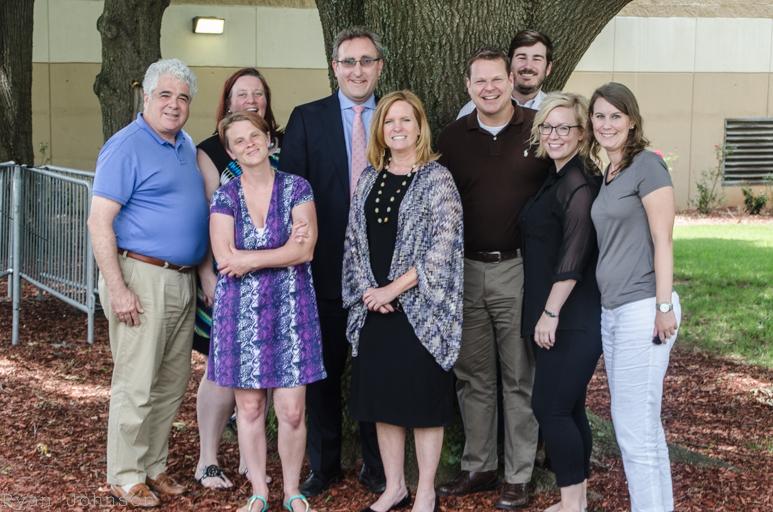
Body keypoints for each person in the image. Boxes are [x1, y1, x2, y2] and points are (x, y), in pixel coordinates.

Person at [88, 58, 208, 508]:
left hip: (181, 279)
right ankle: (124, 474)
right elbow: (100, 222)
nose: (174, 105)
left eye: (182, 98)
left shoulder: (183, 144)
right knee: (136, 383)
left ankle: (153, 466)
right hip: (140, 276)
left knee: (171, 383)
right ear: (146, 96)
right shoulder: (126, 147)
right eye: (165, 95)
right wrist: (118, 287)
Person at [436, 47, 550, 510]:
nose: (489, 88)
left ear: (511, 80)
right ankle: (479, 465)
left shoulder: (538, 130)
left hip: (517, 269)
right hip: (464, 271)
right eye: (479, 81)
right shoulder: (452, 138)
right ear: (468, 87)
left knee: (519, 375)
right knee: (472, 375)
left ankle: (519, 473)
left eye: (496, 79)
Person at [343, 90, 464, 512]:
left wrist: (393, 289)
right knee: (384, 402)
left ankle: (425, 489)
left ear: (419, 127)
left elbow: (442, 245)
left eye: (405, 120)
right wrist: (367, 293)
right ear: (381, 129)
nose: (397, 127)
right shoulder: (369, 178)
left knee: (424, 401)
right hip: (374, 309)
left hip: (420, 310)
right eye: (389, 121)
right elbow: (354, 243)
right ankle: (394, 486)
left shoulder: (436, 179)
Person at [281, 26, 386, 497]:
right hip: (320, 268)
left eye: (366, 61)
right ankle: (324, 465)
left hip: (383, 274)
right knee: (322, 372)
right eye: (348, 62)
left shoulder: (396, 116)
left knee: (374, 368)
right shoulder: (308, 118)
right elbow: (291, 194)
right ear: (334, 68)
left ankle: (377, 466)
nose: (357, 70)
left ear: (379, 67)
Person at [208, 111, 326, 512]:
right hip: (239, 315)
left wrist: (250, 259)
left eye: (254, 136)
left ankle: (292, 490)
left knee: (292, 410)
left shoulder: (297, 188)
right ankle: (259, 490)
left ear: (269, 139)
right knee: (250, 406)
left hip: (292, 310)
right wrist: (279, 253)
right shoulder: (224, 196)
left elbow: (304, 250)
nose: (249, 144)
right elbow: (225, 258)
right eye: (238, 141)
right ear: (230, 151)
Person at [588, 82, 681, 512]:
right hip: (614, 311)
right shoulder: (610, 173)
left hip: (643, 308)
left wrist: (663, 308)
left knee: (632, 427)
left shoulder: (647, 166)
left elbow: (664, 241)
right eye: (599, 115)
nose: (606, 124)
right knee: (643, 426)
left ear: (632, 121)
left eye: (615, 116)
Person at [193, 67, 282, 489]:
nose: (250, 100)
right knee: (221, 369)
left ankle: (252, 456)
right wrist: (207, 274)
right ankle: (208, 458)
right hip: (228, 276)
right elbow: (206, 217)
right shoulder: (211, 151)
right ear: (227, 102)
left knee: (264, 368)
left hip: (278, 282)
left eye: (258, 94)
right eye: (241, 94)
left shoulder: (280, 147)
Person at [520, 92, 601, 512]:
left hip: (571, 317)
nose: (553, 134)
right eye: (547, 126)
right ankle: (579, 498)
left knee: (549, 408)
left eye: (564, 127)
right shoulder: (556, 175)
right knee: (569, 408)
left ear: (582, 132)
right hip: (557, 314)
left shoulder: (578, 183)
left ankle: (571, 503)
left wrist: (549, 313)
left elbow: (573, 258)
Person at [457, 29, 553, 118]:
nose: (528, 66)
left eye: (537, 59)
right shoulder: (472, 111)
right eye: (521, 58)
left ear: (548, 68)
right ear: (509, 63)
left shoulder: (555, 111)